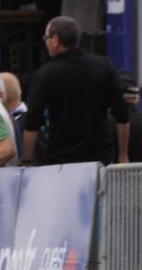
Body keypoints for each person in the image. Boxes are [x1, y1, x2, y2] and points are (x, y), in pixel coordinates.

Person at [22, 16, 129, 166]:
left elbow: (32, 122)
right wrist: (123, 155)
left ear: (55, 40)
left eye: (46, 38)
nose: (45, 42)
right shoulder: (104, 66)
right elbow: (122, 114)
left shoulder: (45, 74)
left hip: (61, 160)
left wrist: (27, 161)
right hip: (100, 157)